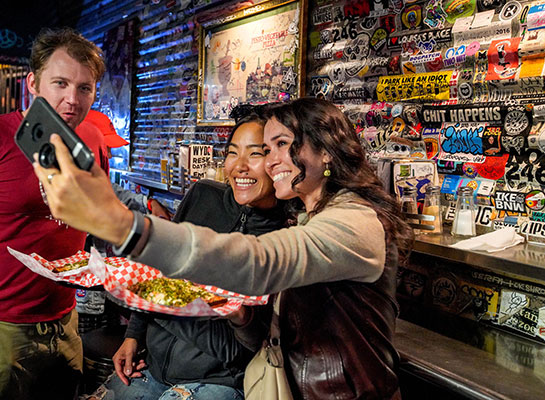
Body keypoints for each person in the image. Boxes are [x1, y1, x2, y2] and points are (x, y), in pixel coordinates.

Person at [34, 97, 414, 399]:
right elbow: (261, 334)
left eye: (280, 146)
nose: (272, 160)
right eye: (267, 147)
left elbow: (262, 261)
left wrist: (128, 228)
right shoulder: (306, 216)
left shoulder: (355, 221)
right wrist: (240, 316)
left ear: (327, 151)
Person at [87, 107, 287, 400]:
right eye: (233, 152)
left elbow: (236, 350)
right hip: (152, 367)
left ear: (277, 162)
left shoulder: (283, 240)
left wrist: (156, 303)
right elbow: (160, 270)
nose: (240, 166)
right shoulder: (204, 195)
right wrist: (133, 335)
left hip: (217, 383)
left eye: (255, 154)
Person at [0, 27, 108, 400]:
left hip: (65, 318)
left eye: (84, 88)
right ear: (32, 82)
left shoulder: (92, 140)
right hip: (5, 324)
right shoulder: (1, 135)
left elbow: (97, 215)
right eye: (60, 83)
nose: (72, 99)